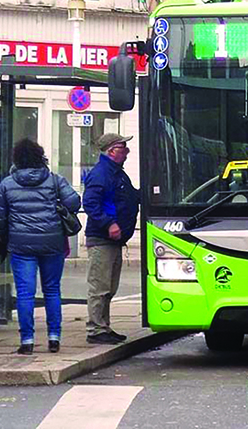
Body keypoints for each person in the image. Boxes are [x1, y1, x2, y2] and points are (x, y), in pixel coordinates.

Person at [0, 139, 81, 355]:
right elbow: (74, 203)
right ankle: (54, 337)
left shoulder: (7, 184)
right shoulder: (54, 180)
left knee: (25, 293)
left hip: (21, 245)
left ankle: (27, 340)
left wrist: (2, 241)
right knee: (52, 289)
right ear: (41, 157)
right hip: (52, 243)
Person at [83, 133, 140, 345]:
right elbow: (90, 203)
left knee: (109, 287)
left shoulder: (117, 173)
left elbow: (130, 197)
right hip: (102, 239)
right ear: (111, 151)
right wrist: (110, 224)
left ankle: (103, 327)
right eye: (123, 148)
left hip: (113, 240)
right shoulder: (101, 174)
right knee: (100, 287)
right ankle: (96, 329)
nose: (127, 152)